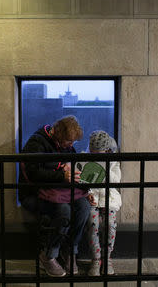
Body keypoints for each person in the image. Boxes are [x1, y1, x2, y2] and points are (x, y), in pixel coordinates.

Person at [19, 115, 90, 277]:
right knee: (63, 210)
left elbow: (71, 164)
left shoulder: (66, 145)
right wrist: (62, 176)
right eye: (68, 142)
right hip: (34, 194)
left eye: (73, 143)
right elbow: (33, 173)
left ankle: (70, 250)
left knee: (84, 207)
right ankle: (48, 255)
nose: (71, 146)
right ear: (58, 135)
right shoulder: (36, 143)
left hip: (59, 191)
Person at [85, 130, 122, 276]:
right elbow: (84, 181)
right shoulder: (84, 157)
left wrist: (102, 167)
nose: (94, 155)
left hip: (109, 197)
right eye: (93, 152)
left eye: (98, 153)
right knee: (92, 223)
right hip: (92, 197)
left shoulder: (114, 160)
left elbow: (116, 180)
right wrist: (87, 193)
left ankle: (107, 259)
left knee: (110, 224)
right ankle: (96, 259)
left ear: (106, 150)